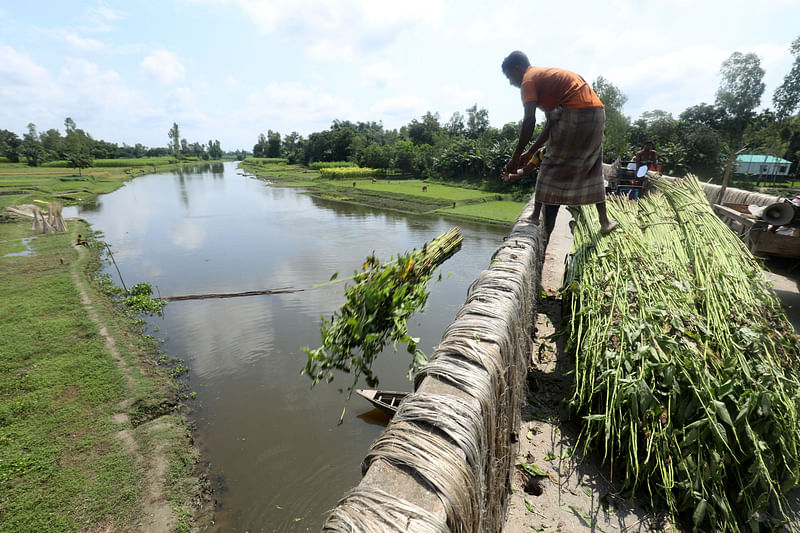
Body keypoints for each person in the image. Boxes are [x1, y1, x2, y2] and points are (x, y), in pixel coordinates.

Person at [500, 51, 617, 234]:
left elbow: (529, 120)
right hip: (596, 113)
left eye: (509, 76)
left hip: (575, 113)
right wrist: (531, 151)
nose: (510, 82)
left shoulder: (528, 80)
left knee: (551, 162)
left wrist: (515, 158)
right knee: (592, 165)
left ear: (517, 69)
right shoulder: (546, 78)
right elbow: (551, 124)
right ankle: (604, 221)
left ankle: (533, 216)